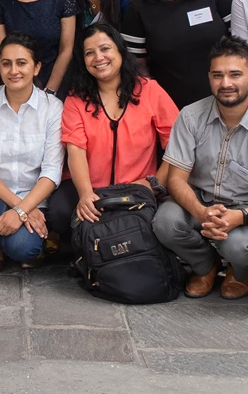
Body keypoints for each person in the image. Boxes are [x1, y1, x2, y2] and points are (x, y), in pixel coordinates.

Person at [154, 37, 248, 299]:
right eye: (218, 75)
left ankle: (241, 270)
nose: (226, 83)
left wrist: (239, 217)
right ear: (209, 78)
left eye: (235, 74)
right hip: (197, 201)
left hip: (245, 208)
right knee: (165, 222)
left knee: (239, 247)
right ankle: (204, 266)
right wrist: (201, 212)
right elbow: (175, 179)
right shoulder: (190, 116)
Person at [47, 24, 178, 240]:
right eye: (89, 53)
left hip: (136, 187)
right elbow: (76, 150)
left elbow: (177, 143)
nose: (99, 57)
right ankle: (82, 246)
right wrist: (86, 194)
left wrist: (154, 183)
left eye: (105, 49)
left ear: (120, 50)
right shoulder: (75, 99)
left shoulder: (149, 90)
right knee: (59, 212)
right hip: (92, 186)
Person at [0, 33, 61, 271]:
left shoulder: (52, 108)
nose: (13, 70)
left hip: (34, 199)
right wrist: (18, 208)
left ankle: (15, 240)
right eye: (6, 63)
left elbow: (51, 172)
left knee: (23, 249)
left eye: (22, 63)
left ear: (37, 68)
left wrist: (24, 209)